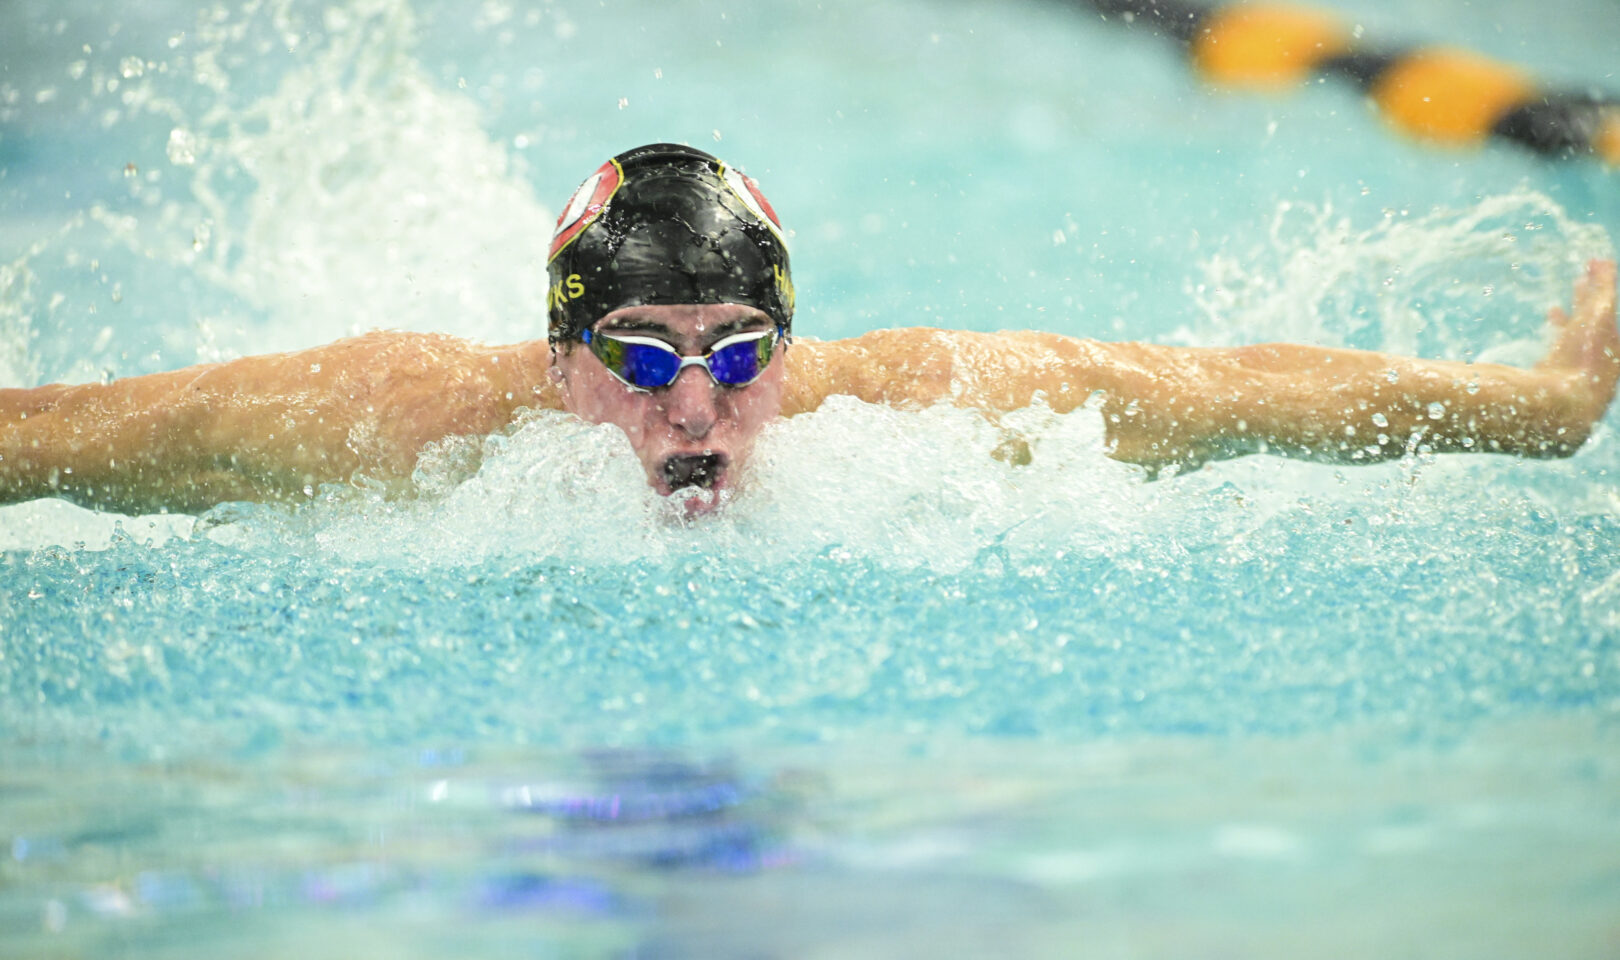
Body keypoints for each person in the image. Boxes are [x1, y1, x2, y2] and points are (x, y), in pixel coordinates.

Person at [0, 143, 1616, 518]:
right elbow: (55, 442)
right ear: (560, 357)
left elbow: (1231, 394)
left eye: (734, 353)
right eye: (638, 355)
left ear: (793, 347)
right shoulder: (395, 417)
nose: (693, 408)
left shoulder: (920, 410)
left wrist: (1542, 404)